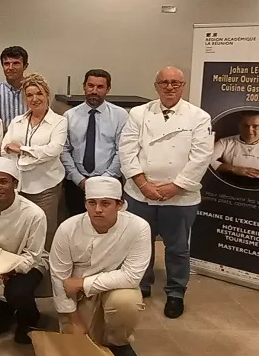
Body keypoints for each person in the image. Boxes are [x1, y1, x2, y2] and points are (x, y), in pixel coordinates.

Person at [119, 66, 213, 319]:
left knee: (178, 248)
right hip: (140, 194)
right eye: (164, 83)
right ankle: (142, 284)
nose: (169, 87)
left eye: (175, 83)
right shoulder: (138, 114)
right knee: (139, 243)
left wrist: (176, 186)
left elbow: (201, 157)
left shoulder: (199, 117)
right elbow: (126, 151)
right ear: (156, 86)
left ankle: (176, 292)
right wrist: (143, 185)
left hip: (181, 197)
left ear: (183, 86)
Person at [50, 176, 150, 356]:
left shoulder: (138, 227)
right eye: (92, 203)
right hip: (76, 294)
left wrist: (84, 283)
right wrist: (73, 318)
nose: (97, 210)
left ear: (119, 205)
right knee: (79, 347)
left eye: (105, 203)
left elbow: (132, 276)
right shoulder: (68, 228)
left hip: (113, 287)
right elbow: (59, 277)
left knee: (126, 302)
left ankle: (119, 343)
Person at [0, 158, 47, 345]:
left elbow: (33, 254)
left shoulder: (33, 214)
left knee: (17, 293)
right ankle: (8, 305)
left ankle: (30, 318)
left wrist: (8, 270)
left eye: (3, 182)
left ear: (15, 183)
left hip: (27, 266)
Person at [2, 73, 67, 249]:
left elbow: (53, 150)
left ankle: (43, 263)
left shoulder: (59, 122)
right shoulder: (17, 121)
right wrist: (36, 154)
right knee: (20, 228)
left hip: (46, 186)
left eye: (39, 93)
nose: (34, 99)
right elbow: (4, 148)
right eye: (29, 95)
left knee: (45, 229)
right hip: (19, 185)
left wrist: (22, 150)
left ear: (47, 94)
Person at [61, 69, 128, 216]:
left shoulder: (120, 115)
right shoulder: (69, 116)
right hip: (77, 183)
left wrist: (105, 179)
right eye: (90, 86)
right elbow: (64, 150)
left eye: (100, 87)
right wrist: (79, 179)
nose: (94, 91)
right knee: (76, 222)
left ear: (108, 89)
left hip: (109, 181)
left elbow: (122, 150)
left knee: (106, 223)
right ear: (84, 86)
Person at [211, 111, 259, 178]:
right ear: (239, 126)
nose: (249, 130)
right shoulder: (224, 142)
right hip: (229, 181)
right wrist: (233, 169)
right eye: (245, 126)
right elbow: (208, 160)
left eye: (255, 126)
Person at [0, 46, 29, 129]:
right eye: (6, 64)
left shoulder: (36, 92)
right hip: (3, 136)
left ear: (25, 66)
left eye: (16, 63)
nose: (10, 68)